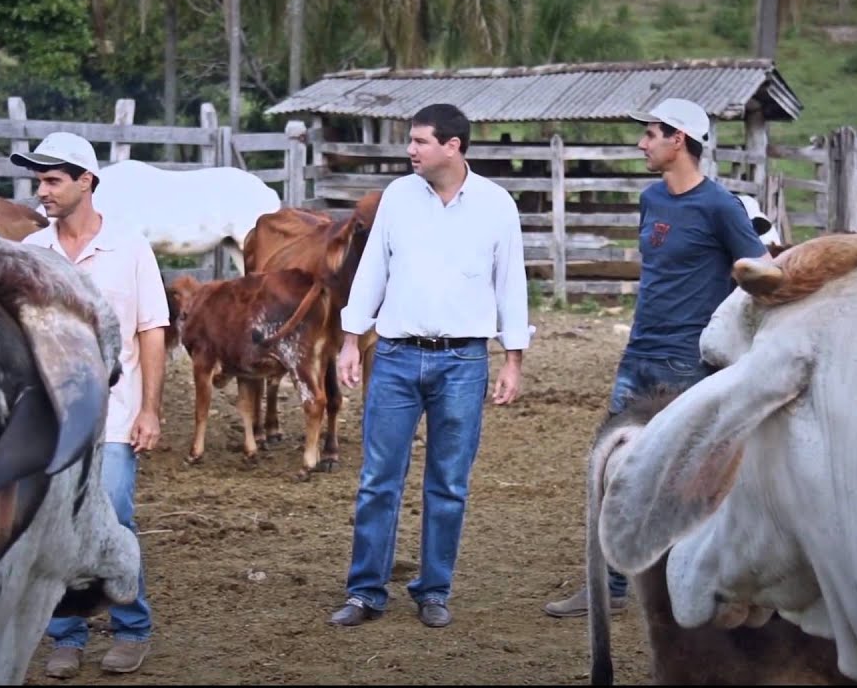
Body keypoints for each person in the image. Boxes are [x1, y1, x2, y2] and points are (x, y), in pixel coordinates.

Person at [542, 98, 771, 620]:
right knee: (612, 471)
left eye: (650, 134)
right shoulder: (651, 199)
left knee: (685, 477)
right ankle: (611, 589)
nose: (642, 144)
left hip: (688, 364)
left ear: (679, 140)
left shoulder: (720, 207)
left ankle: (689, 583)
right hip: (639, 353)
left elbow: (759, 271)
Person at [328, 103, 531, 629]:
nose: (410, 149)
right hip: (395, 356)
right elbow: (372, 269)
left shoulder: (495, 205)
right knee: (378, 478)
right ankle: (365, 590)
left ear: (452, 146)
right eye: (411, 141)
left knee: (449, 483)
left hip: (464, 360)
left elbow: (511, 282)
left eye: (419, 141)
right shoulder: (397, 198)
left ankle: (434, 588)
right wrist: (351, 340)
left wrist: (513, 359)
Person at [10, 132, 170, 676]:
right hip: (50, 419)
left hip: (116, 414)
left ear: (86, 181)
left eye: (53, 180)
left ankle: (131, 627)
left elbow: (151, 330)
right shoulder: (33, 254)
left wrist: (150, 408)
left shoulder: (129, 247)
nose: (42, 190)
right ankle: (66, 634)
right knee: (55, 522)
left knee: (114, 517)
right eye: (39, 180)